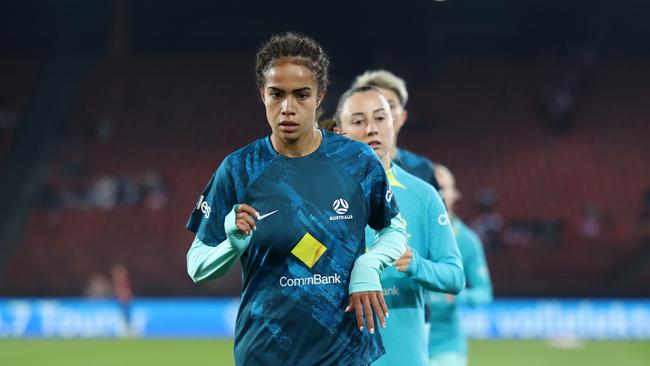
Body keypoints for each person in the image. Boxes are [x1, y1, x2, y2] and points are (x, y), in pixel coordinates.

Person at [185, 32, 408, 365]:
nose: (287, 108)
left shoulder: (358, 162)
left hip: (344, 353)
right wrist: (231, 244)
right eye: (277, 95)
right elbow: (196, 266)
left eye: (301, 95)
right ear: (262, 94)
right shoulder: (239, 169)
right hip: (265, 353)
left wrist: (367, 264)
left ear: (320, 96)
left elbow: (394, 231)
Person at [334, 86, 465, 366]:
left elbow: (454, 276)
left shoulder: (424, 194)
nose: (372, 129)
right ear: (338, 132)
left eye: (381, 118)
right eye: (358, 121)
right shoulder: (320, 198)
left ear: (393, 124)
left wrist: (415, 264)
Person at [428, 164, 493, 366]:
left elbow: (484, 293)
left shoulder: (467, 240)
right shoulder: (409, 233)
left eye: (443, 187)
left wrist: (456, 295)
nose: (438, 192)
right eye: (432, 186)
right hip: (411, 340)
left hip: (447, 346)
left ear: (455, 194)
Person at [351, 70, 439, 190]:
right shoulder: (339, 169)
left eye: (390, 105)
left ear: (403, 117)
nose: (382, 111)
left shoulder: (422, 169)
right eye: (374, 104)